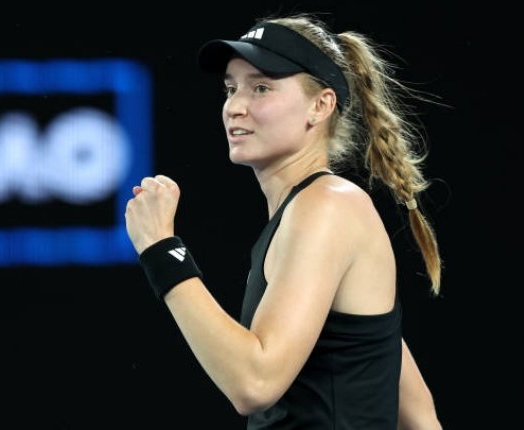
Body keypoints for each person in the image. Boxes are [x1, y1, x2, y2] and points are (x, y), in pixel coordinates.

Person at [125, 13, 442, 429]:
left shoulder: (327, 206)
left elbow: (254, 383)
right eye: (231, 88)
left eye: (261, 87)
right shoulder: (314, 210)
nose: (235, 107)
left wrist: (161, 249)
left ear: (320, 105)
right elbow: (418, 413)